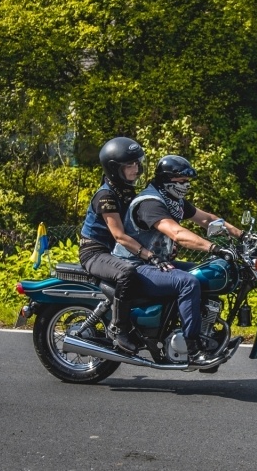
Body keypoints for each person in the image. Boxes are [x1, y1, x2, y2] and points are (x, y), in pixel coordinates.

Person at [112, 155, 244, 367]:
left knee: (202, 273)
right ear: (167, 180)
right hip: (136, 265)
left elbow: (207, 219)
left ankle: (206, 336)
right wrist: (214, 248)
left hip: (156, 263)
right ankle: (193, 349)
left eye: (187, 181)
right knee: (187, 282)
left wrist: (242, 235)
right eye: (181, 181)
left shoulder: (172, 201)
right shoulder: (149, 204)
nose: (186, 185)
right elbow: (178, 233)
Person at [79, 137, 150, 354]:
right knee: (126, 272)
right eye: (129, 165)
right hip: (94, 252)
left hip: (110, 252)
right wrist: (147, 253)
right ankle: (119, 329)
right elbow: (119, 235)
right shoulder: (105, 196)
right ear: (114, 169)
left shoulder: (126, 191)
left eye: (137, 163)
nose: (135, 168)